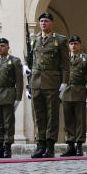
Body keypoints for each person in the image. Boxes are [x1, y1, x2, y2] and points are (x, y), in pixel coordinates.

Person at [25, 12, 69, 158]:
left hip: (52, 81)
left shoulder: (60, 40)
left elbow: (65, 63)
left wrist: (64, 82)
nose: (43, 23)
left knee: (52, 115)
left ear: (52, 23)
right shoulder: (33, 40)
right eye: (41, 21)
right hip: (36, 81)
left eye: (46, 21)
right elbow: (30, 59)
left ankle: (50, 145)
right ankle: (40, 144)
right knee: (38, 115)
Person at [0, 38, 23, 158]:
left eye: (2, 46)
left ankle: (7, 147)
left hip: (8, 94)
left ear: (7, 47)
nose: (0, 48)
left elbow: (19, 81)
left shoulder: (14, 61)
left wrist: (18, 97)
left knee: (8, 123)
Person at [61, 35, 87, 157]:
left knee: (80, 120)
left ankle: (79, 145)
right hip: (67, 91)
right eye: (71, 44)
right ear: (69, 46)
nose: (73, 46)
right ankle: (70, 145)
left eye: (76, 43)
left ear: (79, 45)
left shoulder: (86, 59)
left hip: (80, 91)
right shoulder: (64, 58)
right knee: (68, 120)